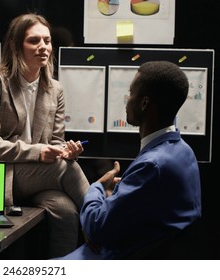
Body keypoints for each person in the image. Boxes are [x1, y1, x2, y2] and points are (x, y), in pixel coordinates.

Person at [0, 13, 90, 258]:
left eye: (47, 40)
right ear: (15, 45)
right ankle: (105, 225)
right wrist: (39, 152)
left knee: (66, 210)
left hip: (36, 176)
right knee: (63, 169)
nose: (43, 47)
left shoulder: (55, 89)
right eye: (34, 41)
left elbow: (55, 143)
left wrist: (66, 152)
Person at [56, 61, 202, 260]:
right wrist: (120, 192)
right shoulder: (183, 151)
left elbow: (97, 228)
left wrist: (97, 187)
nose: (127, 99)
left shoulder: (152, 165)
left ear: (144, 104)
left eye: (131, 92)